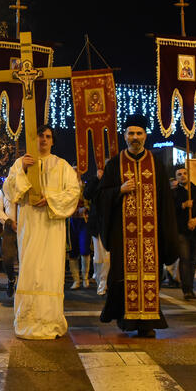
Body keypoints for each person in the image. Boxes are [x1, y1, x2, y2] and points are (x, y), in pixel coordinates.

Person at [95, 115, 177, 337]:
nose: (135, 138)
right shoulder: (115, 164)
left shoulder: (156, 164)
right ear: (124, 136)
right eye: (131, 133)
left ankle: (147, 323)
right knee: (123, 279)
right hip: (124, 236)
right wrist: (118, 190)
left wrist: (167, 233)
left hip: (151, 237)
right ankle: (127, 320)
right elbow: (100, 197)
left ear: (145, 136)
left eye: (139, 133)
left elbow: (166, 204)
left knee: (151, 277)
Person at [3, 125, 81, 339]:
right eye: (40, 136)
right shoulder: (21, 163)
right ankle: (27, 319)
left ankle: (50, 320)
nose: (44, 140)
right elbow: (9, 192)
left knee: (50, 270)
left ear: (52, 141)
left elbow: (73, 193)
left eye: (48, 137)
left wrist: (51, 200)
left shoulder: (62, 165)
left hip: (51, 224)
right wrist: (23, 170)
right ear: (34, 138)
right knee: (30, 267)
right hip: (29, 222)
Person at [172, 166, 196, 300]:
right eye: (179, 174)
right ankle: (186, 289)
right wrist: (182, 206)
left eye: (184, 173)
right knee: (185, 259)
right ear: (176, 178)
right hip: (182, 232)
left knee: (193, 261)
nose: (182, 176)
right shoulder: (175, 193)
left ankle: (191, 287)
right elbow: (170, 211)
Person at [85, 168, 109, 296]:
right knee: (98, 257)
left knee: (107, 257)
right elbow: (87, 194)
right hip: (96, 224)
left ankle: (103, 285)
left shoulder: (112, 181)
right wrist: (96, 179)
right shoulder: (93, 182)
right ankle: (99, 278)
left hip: (108, 223)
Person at [67, 166, 92, 290]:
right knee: (72, 251)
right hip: (71, 221)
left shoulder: (86, 186)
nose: (75, 173)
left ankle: (85, 278)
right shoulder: (66, 188)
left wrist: (86, 208)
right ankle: (76, 279)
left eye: (77, 170)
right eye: (73, 170)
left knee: (84, 249)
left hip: (83, 220)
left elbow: (90, 201)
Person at [0, 180, 19, 297]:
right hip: (9, 229)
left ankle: (23, 285)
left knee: (25, 259)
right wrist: (9, 222)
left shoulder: (28, 190)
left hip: (26, 228)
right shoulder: (4, 191)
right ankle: (10, 279)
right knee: (7, 258)